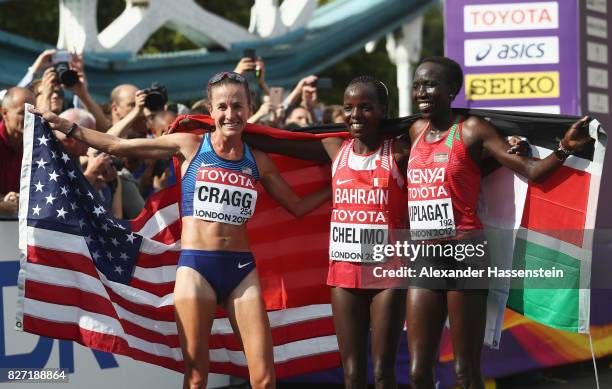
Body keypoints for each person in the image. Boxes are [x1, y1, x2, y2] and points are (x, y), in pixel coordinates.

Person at [30, 71, 330, 389]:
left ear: (249, 107)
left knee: (265, 379)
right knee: (197, 376)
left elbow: (296, 207)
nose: (231, 114)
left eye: (238, 106)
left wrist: (336, 185)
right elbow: (119, 144)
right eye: (223, 107)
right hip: (197, 269)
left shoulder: (257, 161)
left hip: (242, 270)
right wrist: (70, 127)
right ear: (211, 111)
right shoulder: (189, 145)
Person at [405, 56, 591, 389]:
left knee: (465, 370)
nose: (422, 92)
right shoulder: (415, 131)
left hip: (465, 254)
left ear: (452, 90)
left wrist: (563, 148)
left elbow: (531, 171)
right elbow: (469, 172)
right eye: (417, 84)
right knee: (418, 372)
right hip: (423, 258)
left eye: (431, 84)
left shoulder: (472, 129)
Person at [245, 76, 410, 389]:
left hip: (387, 276)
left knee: (383, 374)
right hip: (344, 276)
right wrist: (228, 129)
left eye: (366, 108)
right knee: (351, 375)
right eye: (348, 108)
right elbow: (276, 141)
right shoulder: (335, 148)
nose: (355, 115)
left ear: (383, 110)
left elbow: (449, 158)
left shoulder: (400, 153)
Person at [0, 87, 35, 217]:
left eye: (33, 112)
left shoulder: (36, 146)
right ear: (4, 113)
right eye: (23, 113)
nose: (30, 118)